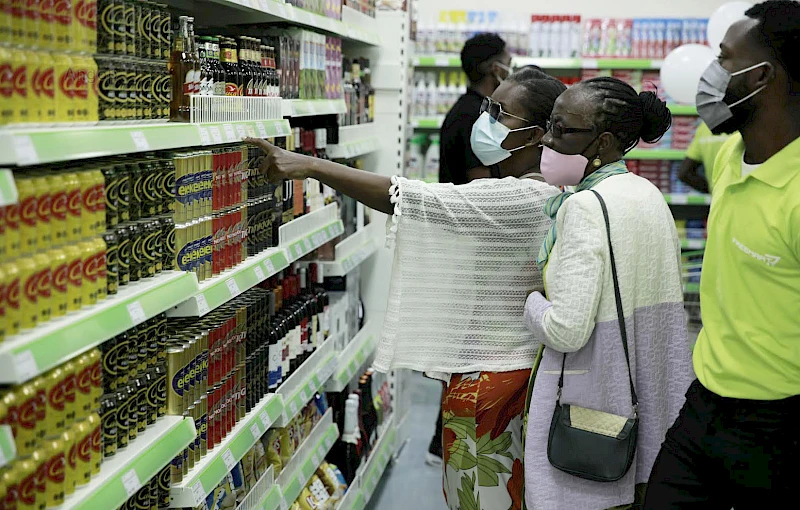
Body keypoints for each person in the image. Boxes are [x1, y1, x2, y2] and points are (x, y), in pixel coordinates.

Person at [247, 67, 566, 510]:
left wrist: (308, 164)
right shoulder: (546, 189)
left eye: (500, 112)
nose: (485, 119)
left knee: (481, 499)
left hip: (495, 384)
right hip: (514, 376)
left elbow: (406, 197)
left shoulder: (522, 200)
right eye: (487, 107)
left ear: (536, 134)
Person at [645, 2, 800, 508]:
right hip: (705, 397)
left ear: (763, 77)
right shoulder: (731, 153)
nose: (710, 74)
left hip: (779, 426)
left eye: (724, 58)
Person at [522, 77, 695, 509]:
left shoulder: (584, 206)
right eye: (549, 125)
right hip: (648, 405)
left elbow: (565, 331)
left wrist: (530, 300)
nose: (546, 138)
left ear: (601, 142)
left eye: (562, 130)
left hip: (589, 410)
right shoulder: (647, 193)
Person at [426, 33, 515, 468]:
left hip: (470, 246)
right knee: (469, 348)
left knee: (466, 348)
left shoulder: (471, 112)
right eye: (507, 60)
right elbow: (482, 189)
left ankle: (444, 438)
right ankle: (453, 440)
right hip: (471, 248)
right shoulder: (472, 118)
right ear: (493, 68)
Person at [439, 32, 512, 184]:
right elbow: (480, 182)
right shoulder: (473, 116)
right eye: (509, 64)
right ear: (496, 69)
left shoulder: (470, 108)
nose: (511, 72)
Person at [678, 121, 732, 193]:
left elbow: (684, 173)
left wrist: (711, 188)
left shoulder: (705, 126)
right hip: (743, 196)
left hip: (717, 198)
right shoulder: (745, 123)